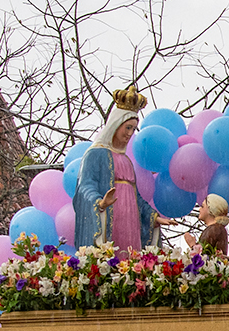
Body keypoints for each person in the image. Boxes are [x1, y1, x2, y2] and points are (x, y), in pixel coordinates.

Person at [73, 85, 170, 253]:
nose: (130, 133)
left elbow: (136, 197)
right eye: (127, 127)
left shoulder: (126, 160)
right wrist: (100, 202)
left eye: (133, 129)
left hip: (130, 218)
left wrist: (153, 217)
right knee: (112, 256)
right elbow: (85, 186)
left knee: (130, 256)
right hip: (112, 214)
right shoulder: (96, 154)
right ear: (116, 125)